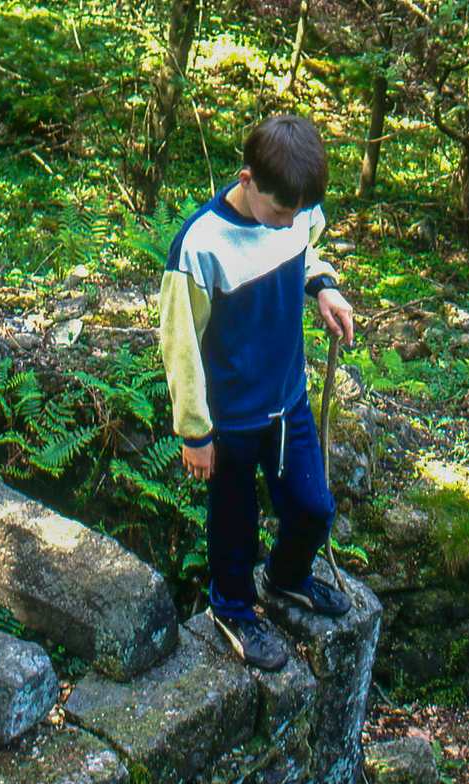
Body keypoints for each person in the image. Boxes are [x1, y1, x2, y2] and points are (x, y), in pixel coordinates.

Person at [158, 113, 356, 671]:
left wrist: (322, 285)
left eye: (295, 214)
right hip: (233, 418)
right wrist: (194, 431)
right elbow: (179, 344)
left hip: (288, 399)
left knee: (314, 509)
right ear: (247, 180)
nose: (286, 224)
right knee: (234, 524)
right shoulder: (201, 245)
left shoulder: (293, 210)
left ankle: (288, 578)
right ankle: (233, 609)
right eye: (278, 213)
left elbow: (306, 244)